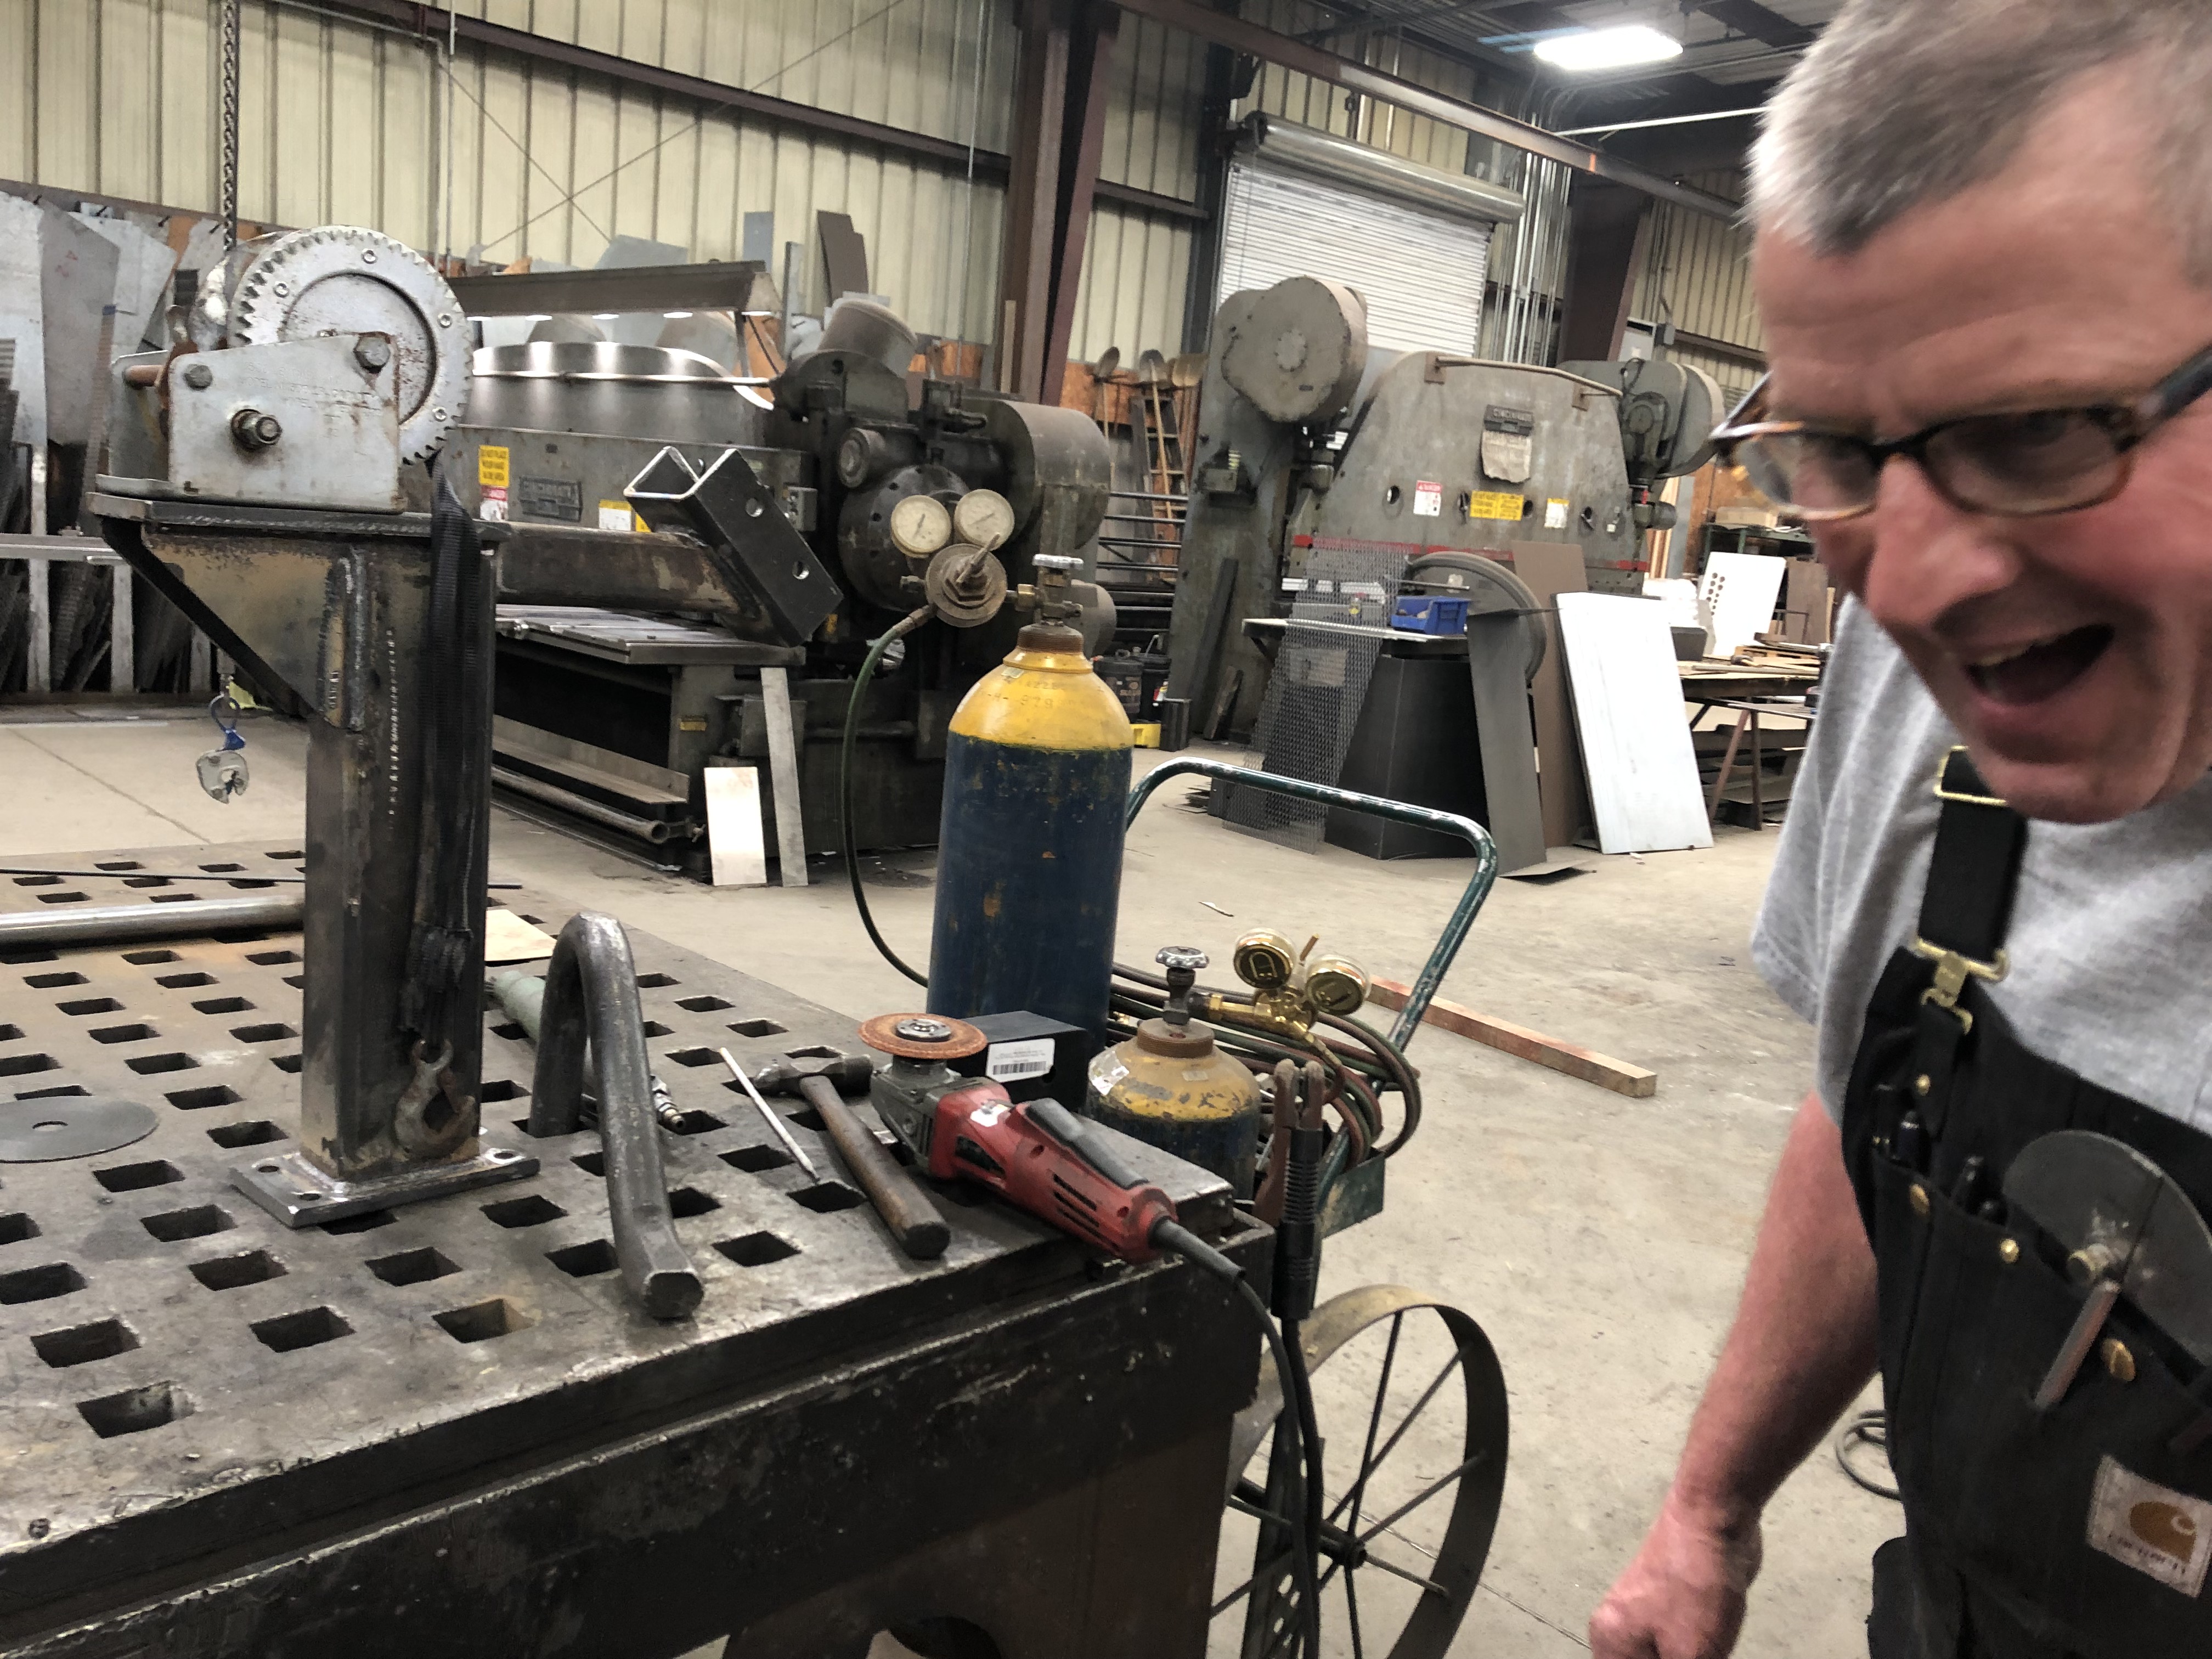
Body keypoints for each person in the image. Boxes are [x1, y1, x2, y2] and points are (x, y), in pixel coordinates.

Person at [1586, 2, 2212, 1655]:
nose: (1916, 580)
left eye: (2037, 432)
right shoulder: (1916, 677)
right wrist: (1708, 1508)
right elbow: (1873, 1115)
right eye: (1843, 452)